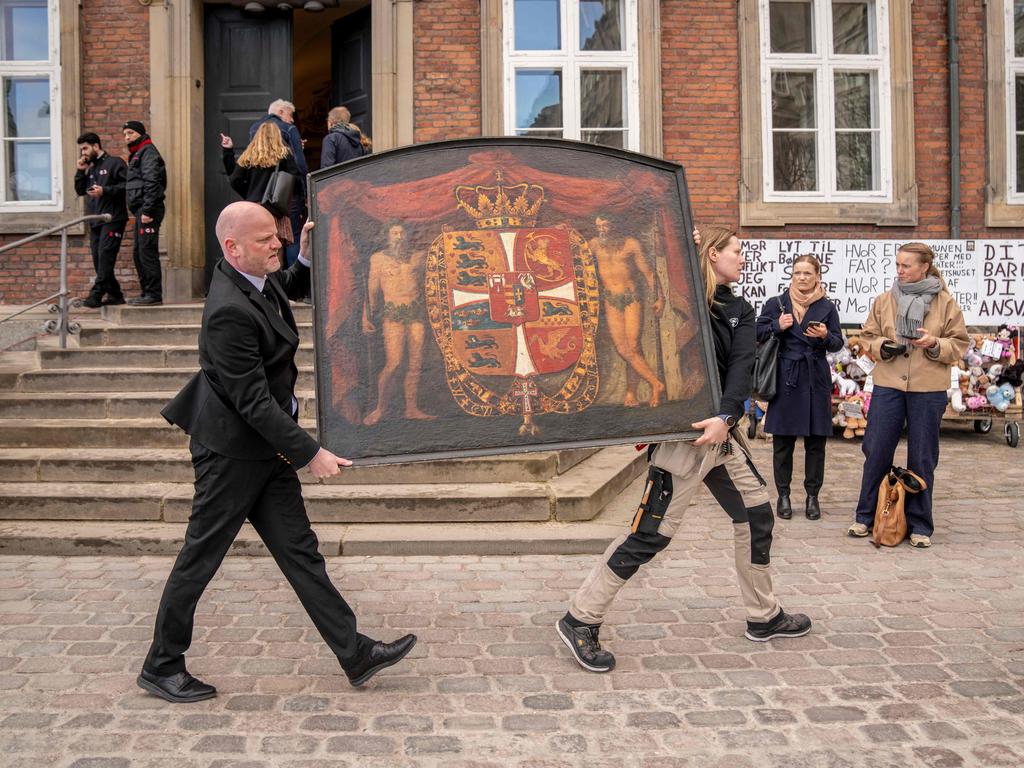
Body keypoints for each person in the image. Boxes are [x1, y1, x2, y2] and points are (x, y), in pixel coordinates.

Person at [138, 202, 416, 703]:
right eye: (266, 239)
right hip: (231, 453)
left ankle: (354, 653)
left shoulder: (250, 282)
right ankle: (162, 665)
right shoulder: (227, 311)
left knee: (300, 553)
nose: (278, 244)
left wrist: (305, 260)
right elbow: (252, 403)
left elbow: (277, 285)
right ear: (232, 247)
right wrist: (311, 452)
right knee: (200, 556)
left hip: (265, 450)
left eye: (278, 235)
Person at [557, 226, 811, 674]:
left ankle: (763, 615)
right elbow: (667, 295)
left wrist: (727, 417)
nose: (742, 259)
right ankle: (581, 617)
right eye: (736, 251)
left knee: (756, 515)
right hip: (684, 442)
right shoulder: (685, 296)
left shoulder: (740, 308)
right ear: (713, 254)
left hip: (721, 436)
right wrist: (678, 242)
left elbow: (740, 368)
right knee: (649, 534)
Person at [848, 242, 968, 548]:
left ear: (924, 267)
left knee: (923, 456)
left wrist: (935, 343)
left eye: (906, 265)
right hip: (889, 385)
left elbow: (959, 344)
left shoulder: (945, 304)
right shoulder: (885, 300)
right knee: (876, 450)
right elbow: (867, 337)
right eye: (898, 264)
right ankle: (866, 517)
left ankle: (920, 525)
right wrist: (881, 347)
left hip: (928, 389)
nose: (899, 270)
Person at [756, 255, 843, 521]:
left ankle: (812, 496)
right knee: (783, 442)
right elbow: (757, 333)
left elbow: (838, 343)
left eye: (807, 273)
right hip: (786, 377)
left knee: (816, 444)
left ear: (818, 276)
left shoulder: (827, 307)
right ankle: (783, 495)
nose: (802, 278)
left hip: (815, 377)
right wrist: (776, 326)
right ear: (791, 276)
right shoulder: (777, 304)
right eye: (797, 273)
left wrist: (826, 336)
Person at [588, 214, 666, 408]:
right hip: (610, 300)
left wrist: (660, 297)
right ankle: (655, 383)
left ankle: (632, 393)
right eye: (599, 226)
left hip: (631, 299)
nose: (602, 229)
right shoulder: (594, 245)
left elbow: (648, 273)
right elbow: (574, 258)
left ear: (614, 224)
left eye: (605, 225)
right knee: (623, 349)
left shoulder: (631, 244)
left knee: (632, 347)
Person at [362, 222, 433, 425]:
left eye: (402, 232)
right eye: (394, 233)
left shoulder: (418, 257)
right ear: (388, 236)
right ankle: (380, 408)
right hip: (392, 314)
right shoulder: (377, 259)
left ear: (407, 235)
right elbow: (372, 292)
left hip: (415, 313)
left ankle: (411, 409)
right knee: (394, 363)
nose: (398, 236)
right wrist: (365, 317)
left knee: (416, 364)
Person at [220, 122, 301, 256]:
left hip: (254, 209)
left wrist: (250, 195)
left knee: (255, 249)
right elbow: (296, 181)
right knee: (275, 252)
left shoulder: (249, 156)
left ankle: (258, 276)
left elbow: (234, 180)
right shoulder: (285, 155)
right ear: (277, 136)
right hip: (276, 210)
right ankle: (275, 277)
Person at [250, 99, 308, 265]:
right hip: (286, 194)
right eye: (290, 115)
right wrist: (304, 194)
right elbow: (299, 165)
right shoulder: (290, 129)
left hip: (260, 195)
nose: (292, 120)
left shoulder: (254, 128)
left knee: (263, 236)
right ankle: (294, 282)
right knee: (292, 236)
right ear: (281, 112)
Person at [74, 132, 128, 308]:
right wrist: (80, 171)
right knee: (99, 261)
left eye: (85, 148)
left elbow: (127, 185)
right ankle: (115, 294)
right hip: (96, 221)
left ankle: (95, 295)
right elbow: (81, 190)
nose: (83, 153)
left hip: (113, 219)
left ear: (96, 146)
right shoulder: (91, 169)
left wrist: (105, 190)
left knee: (105, 257)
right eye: (81, 149)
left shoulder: (115, 163)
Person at [123, 120, 166, 306]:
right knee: (138, 252)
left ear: (140, 133)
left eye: (130, 133)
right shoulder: (138, 153)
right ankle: (145, 292)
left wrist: (147, 209)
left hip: (148, 210)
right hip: (141, 209)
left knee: (147, 252)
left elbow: (152, 181)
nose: (127, 137)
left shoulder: (147, 151)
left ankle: (153, 294)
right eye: (125, 134)